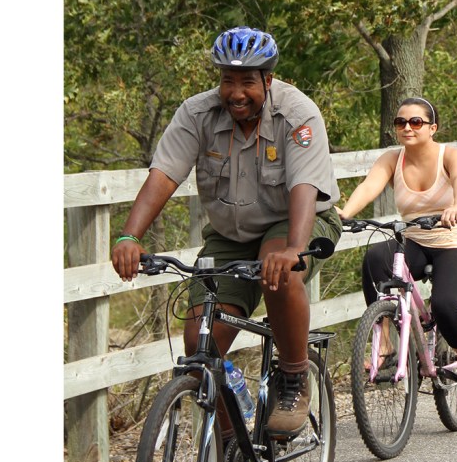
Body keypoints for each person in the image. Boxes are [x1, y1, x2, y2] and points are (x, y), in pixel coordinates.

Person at [111, 27, 342, 438]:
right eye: (227, 80)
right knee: (200, 343)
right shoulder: (197, 113)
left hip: (294, 221)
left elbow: (305, 186)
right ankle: (227, 447)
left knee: (280, 273)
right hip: (229, 234)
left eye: (247, 82)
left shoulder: (297, 114)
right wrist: (129, 235)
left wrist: (293, 248)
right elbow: (164, 174)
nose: (236, 92)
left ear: (268, 80)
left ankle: (293, 377)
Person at [336, 97, 457, 403]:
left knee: (445, 304)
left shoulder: (451, 155)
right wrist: (345, 215)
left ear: (433, 127)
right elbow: (369, 186)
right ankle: (386, 344)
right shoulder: (392, 160)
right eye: (401, 122)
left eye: (416, 122)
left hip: (456, 239)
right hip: (416, 239)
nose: (407, 127)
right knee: (375, 259)